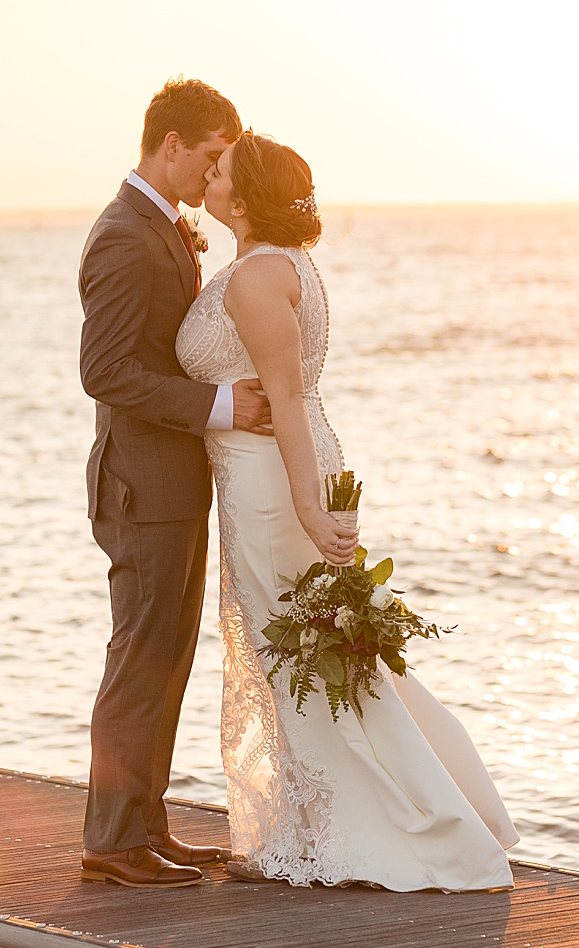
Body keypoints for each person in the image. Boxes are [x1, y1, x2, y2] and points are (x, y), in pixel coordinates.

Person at [178, 131, 518, 891]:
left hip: (273, 480)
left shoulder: (257, 277)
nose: (212, 171)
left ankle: (349, 835)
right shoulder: (287, 266)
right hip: (283, 467)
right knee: (323, 655)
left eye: (224, 167)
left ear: (246, 194)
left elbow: (289, 396)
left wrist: (305, 503)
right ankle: (329, 824)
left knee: (294, 654)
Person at [76, 79, 280, 889]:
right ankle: (113, 839)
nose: (214, 171)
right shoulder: (124, 236)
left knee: (166, 656)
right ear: (170, 146)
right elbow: (106, 370)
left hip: (171, 481)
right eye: (210, 155)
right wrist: (224, 403)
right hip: (140, 485)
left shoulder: (162, 226)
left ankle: (144, 825)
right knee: (141, 655)